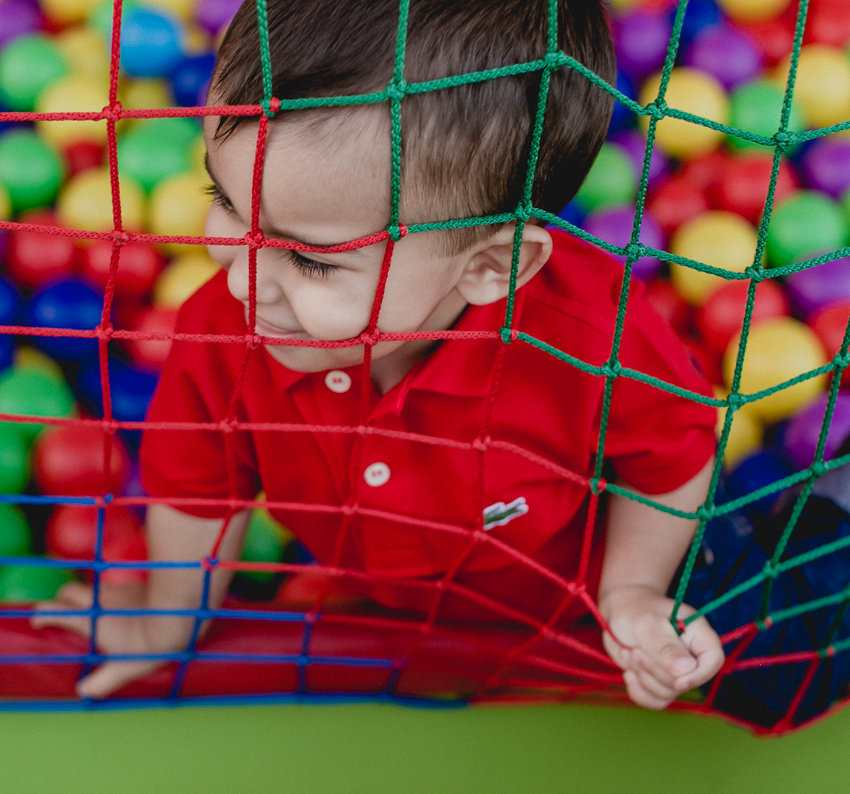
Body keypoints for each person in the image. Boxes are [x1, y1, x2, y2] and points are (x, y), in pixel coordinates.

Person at [36, 0, 725, 710]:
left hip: (572, 604)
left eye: (311, 261)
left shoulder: (591, 333)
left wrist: (632, 591)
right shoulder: (222, 331)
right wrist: (163, 625)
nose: (244, 279)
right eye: (228, 202)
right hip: (377, 611)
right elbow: (199, 488)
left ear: (490, 267)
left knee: (751, 632)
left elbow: (674, 456)